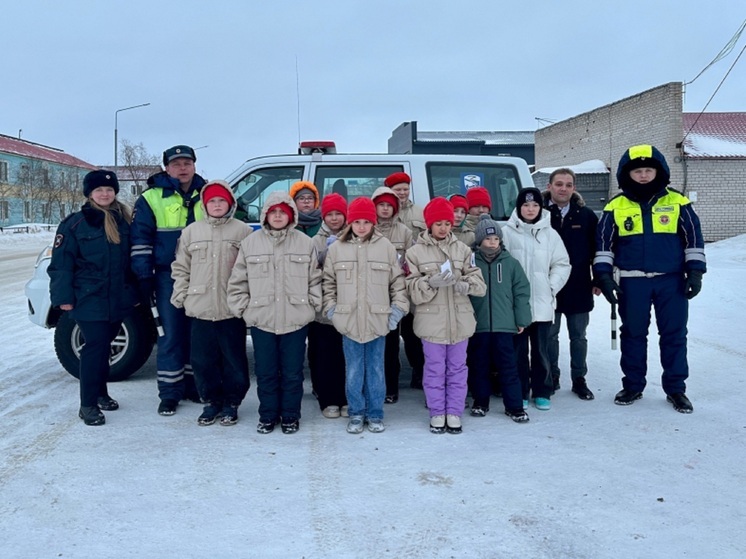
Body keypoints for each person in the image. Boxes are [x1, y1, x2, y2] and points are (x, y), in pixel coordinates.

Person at [594, 145, 706, 413]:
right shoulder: (614, 206)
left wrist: (695, 272)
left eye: (648, 170)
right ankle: (633, 385)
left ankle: (676, 389)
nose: (643, 175)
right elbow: (603, 247)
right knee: (632, 334)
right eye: (637, 171)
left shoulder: (678, 203)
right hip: (632, 283)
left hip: (672, 281)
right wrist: (605, 278)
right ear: (627, 174)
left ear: (659, 171)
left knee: (674, 335)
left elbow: (693, 239)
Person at [227, 192, 322, 434]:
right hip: (262, 319)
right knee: (266, 371)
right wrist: (245, 310)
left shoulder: (304, 242)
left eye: (283, 212)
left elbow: (315, 280)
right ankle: (268, 414)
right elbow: (238, 281)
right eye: (273, 212)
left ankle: (290, 415)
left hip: (295, 319)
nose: (278, 216)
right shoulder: (251, 243)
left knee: (292, 372)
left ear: (291, 215)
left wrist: (311, 307)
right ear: (266, 215)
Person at [48, 170, 137, 426]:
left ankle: (101, 393)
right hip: (89, 297)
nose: (105, 194)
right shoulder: (74, 224)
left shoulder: (124, 221)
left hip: (117, 296)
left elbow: (129, 262)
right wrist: (63, 298)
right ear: (90, 194)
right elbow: (61, 264)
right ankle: (87, 404)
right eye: (99, 190)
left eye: (109, 190)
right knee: (94, 348)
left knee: (104, 347)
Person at [323, 197, 409, 434]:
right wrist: (332, 311)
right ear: (350, 223)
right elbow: (328, 284)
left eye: (366, 222)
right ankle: (356, 412)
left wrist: (396, 312)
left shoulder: (386, 248)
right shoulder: (337, 248)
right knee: (353, 369)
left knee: (375, 370)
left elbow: (398, 284)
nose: (361, 226)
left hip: (377, 320)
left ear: (373, 223)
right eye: (357, 221)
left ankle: (375, 413)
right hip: (348, 320)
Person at [130, 144, 206, 416]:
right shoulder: (150, 198)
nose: (182, 168)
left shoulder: (209, 194)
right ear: (166, 168)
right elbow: (140, 239)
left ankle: (194, 385)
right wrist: (143, 275)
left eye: (187, 163)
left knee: (197, 334)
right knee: (170, 333)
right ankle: (169, 393)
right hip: (167, 276)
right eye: (176, 164)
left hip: (203, 276)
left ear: (195, 165)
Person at [170, 180, 252, 426]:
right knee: (202, 361)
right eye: (212, 201)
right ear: (205, 205)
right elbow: (180, 267)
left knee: (233, 359)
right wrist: (182, 294)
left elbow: (251, 270)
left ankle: (232, 402)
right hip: (201, 307)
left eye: (221, 201)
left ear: (230, 203)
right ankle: (211, 401)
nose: (217, 205)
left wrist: (246, 301)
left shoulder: (243, 232)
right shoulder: (192, 232)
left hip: (231, 309)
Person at [405, 197, 486, 434]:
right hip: (431, 323)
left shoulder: (463, 249)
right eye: (438, 223)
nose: (443, 228)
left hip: (460, 321)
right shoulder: (414, 252)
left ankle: (454, 411)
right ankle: (437, 412)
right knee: (434, 369)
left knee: (458, 368)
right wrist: (429, 282)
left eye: (447, 223)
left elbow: (479, 284)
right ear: (429, 224)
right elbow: (411, 289)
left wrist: (465, 285)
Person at [502, 187, 570, 411]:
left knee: (541, 351)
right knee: (518, 351)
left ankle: (542, 390)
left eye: (534, 205)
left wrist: (551, 287)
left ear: (540, 208)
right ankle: (520, 391)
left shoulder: (550, 234)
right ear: (518, 207)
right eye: (525, 205)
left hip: (542, 303)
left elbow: (562, 264)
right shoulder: (507, 233)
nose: (530, 209)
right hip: (516, 306)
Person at [468, 214, 532, 422]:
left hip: (505, 326)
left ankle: (514, 405)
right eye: (488, 239)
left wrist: (521, 318)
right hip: (479, 326)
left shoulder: (510, 263)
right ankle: (480, 402)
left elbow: (521, 291)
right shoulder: (470, 263)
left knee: (508, 366)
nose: (492, 243)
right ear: (479, 241)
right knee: (479, 365)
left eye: (495, 239)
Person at [543, 168, 599, 400]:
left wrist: (599, 279)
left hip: (579, 285)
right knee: (549, 336)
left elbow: (598, 250)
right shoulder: (540, 214)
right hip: (549, 286)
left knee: (578, 336)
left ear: (574, 188)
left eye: (568, 184)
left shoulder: (586, 216)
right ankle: (552, 376)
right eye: (558, 184)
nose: (563, 188)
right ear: (550, 186)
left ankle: (579, 378)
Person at [371, 185, 414, 404]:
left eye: (389, 205)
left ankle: (390, 387)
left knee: (390, 345)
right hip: (371, 294)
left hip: (395, 294)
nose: (385, 209)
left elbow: (411, 262)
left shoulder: (404, 232)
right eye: (381, 205)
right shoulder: (366, 228)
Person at [384, 171, 426, 390]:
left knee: (413, 333)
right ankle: (391, 378)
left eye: (405, 189)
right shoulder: (381, 212)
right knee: (389, 334)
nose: (401, 193)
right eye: (397, 189)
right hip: (385, 285)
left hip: (409, 281)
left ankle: (419, 373)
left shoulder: (420, 212)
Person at [309, 193, 348, 419]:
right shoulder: (315, 240)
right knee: (324, 355)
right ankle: (328, 399)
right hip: (323, 307)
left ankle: (345, 397)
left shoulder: (353, 236)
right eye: (329, 214)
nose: (334, 219)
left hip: (347, 306)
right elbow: (311, 273)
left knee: (345, 355)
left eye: (338, 214)